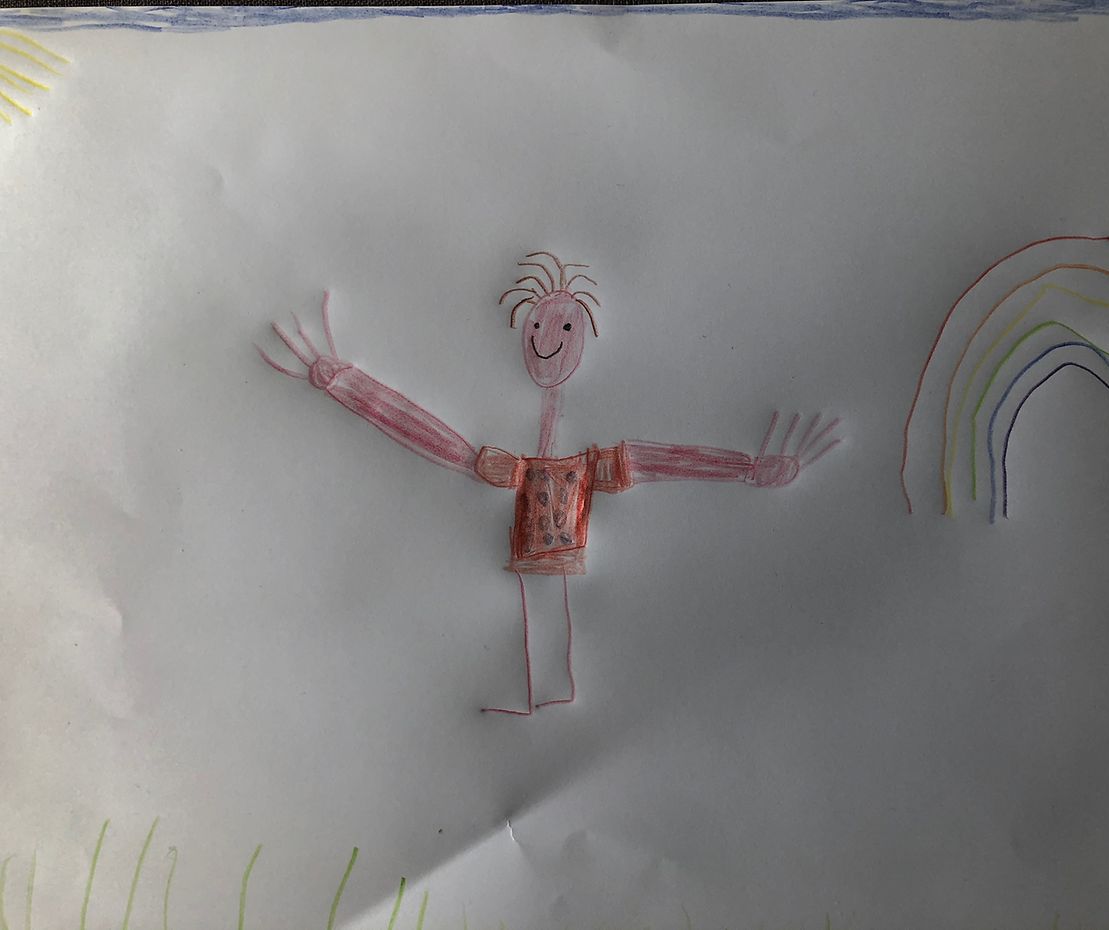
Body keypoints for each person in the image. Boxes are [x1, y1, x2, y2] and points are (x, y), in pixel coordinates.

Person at [258, 252, 840, 715]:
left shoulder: (589, 462)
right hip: (534, 547)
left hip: (558, 546)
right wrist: (347, 385)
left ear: (581, 335)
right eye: (538, 324)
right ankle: (545, 699)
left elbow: (657, 461)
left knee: (552, 640)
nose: (546, 337)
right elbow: (439, 442)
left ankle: (550, 699)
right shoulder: (514, 461)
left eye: (563, 326)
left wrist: (746, 467)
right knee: (544, 635)